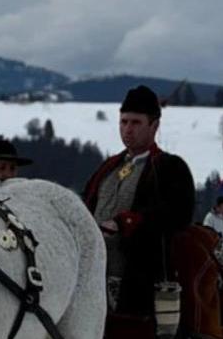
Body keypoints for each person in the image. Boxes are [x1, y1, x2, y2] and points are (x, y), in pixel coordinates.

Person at [81, 85, 195, 316]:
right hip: (91, 270)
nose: (127, 130)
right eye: (123, 122)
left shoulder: (170, 167)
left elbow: (179, 213)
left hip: (139, 275)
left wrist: (130, 222)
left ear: (154, 125)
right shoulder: (108, 167)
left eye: (135, 123)